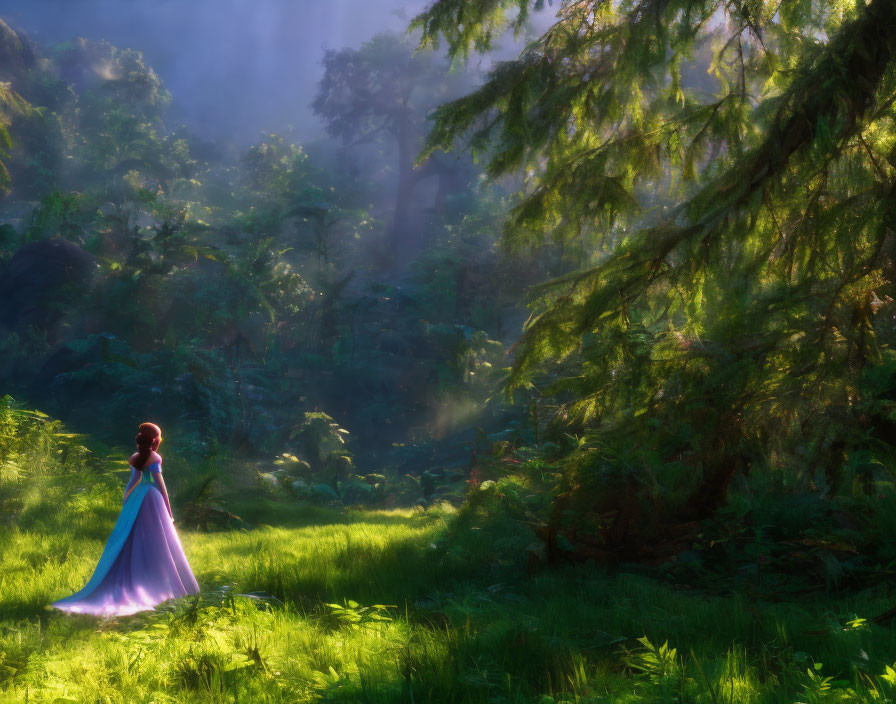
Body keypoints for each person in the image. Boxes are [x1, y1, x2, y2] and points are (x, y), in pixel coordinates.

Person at [51, 422, 200, 616]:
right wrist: (169, 510)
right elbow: (160, 485)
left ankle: (138, 574)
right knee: (158, 539)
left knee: (133, 535)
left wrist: (127, 499)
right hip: (152, 498)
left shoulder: (134, 458)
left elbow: (132, 482)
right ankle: (157, 577)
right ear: (155, 440)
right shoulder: (155, 457)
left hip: (137, 497)